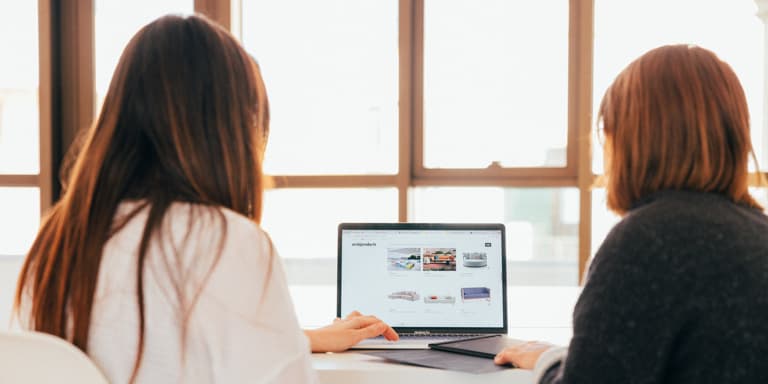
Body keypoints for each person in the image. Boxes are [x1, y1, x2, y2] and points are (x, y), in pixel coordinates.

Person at [13, 14, 396, 383]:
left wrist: (301, 337)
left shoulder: (57, 243)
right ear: (231, 131)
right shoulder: (226, 241)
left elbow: (140, 344)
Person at [494, 45, 768, 382]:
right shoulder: (759, 232)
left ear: (627, 140)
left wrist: (551, 364)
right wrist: (562, 357)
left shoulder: (649, 239)